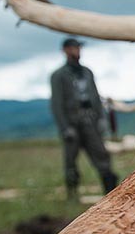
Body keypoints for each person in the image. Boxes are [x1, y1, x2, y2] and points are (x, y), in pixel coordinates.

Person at [50, 37, 119, 199]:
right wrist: (64, 127)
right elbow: (57, 103)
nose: (77, 51)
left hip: (90, 121)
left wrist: (102, 118)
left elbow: (95, 97)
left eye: (78, 48)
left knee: (101, 155)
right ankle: (72, 195)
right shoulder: (59, 75)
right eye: (74, 48)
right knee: (70, 161)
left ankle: (110, 192)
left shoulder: (87, 72)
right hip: (72, 122)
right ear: (66, 50)